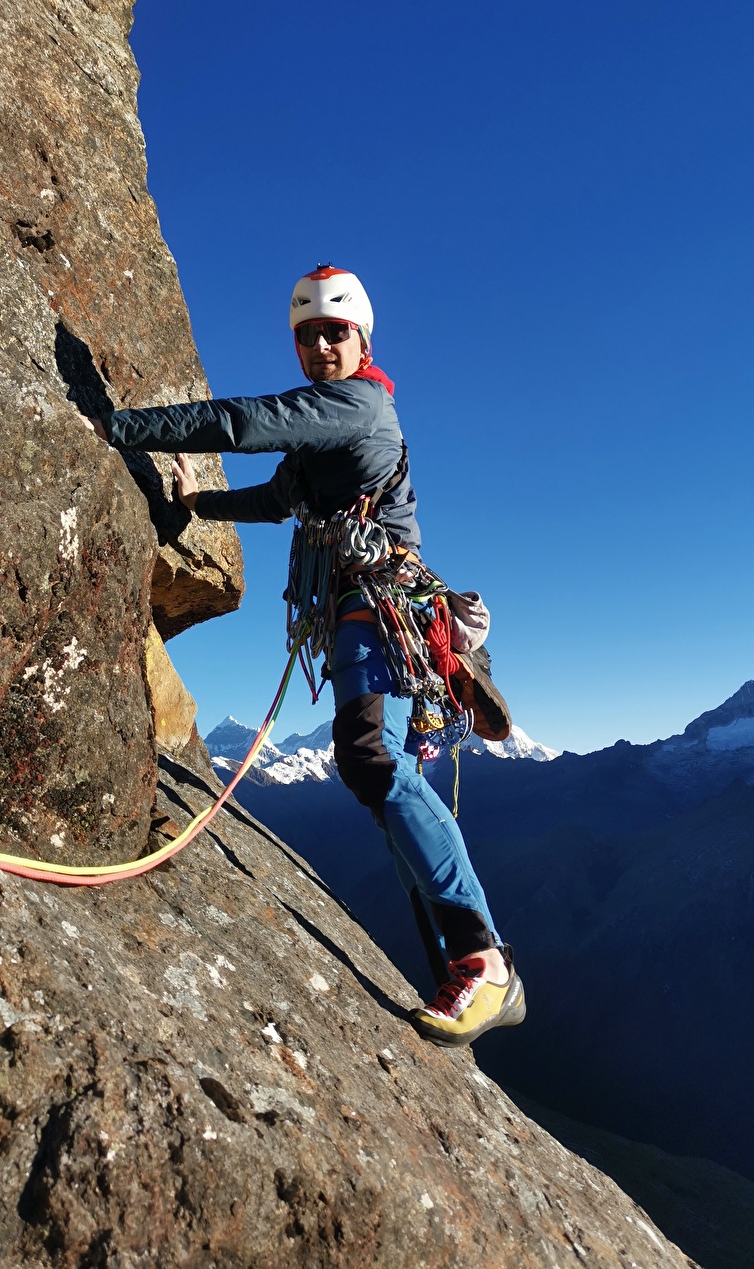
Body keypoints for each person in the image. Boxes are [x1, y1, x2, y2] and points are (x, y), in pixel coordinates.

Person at [81, 265, 524, 1047]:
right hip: (363, 612)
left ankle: (486, 963)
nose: (320, 346)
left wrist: (122, 426)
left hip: (382, 609)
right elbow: (280, 495)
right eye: (307, 335)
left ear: (362, 339)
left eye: (335, 331)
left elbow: (249, 422)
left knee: (371, 761)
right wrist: (197, 506)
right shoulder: (332, 427)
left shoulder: (358, 407)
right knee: (378, 766)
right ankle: (471, 955)